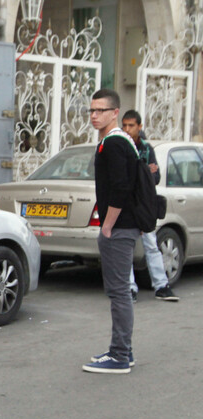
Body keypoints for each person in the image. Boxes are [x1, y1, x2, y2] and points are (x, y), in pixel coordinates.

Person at [82, 89, 139, 374]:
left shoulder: (115, 143)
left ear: (114, 112)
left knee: (119, 293)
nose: (94, 116)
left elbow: (121, 187)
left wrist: (107, 226)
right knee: (120, 292)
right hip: (123, 227)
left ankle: (119, 356)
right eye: (92, 110)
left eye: (100, 111)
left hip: (120, 228)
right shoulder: (117, 142)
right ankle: (123, 350)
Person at [120, 110, 178, 303]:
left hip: (144, 204)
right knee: (127, 248)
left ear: (139, 126)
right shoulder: (120, 145)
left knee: (152, 245)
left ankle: (161, 286)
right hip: (127, 204)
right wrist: (144, 171)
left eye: (131, 126)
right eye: (125, 125)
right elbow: (125, 177)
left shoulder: (146, 148)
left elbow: (155, 177)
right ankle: (129, 289)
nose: (127, 129)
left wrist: (144, 172)